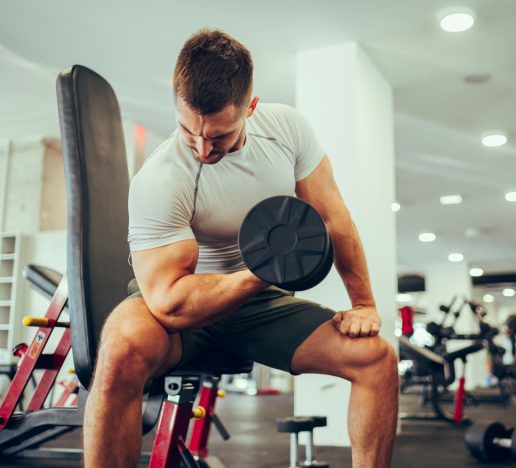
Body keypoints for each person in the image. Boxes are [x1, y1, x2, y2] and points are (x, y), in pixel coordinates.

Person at [83, 28, 399, 468]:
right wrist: (263, 269)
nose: (201, 148)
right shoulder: (161, 179)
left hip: (259, 306)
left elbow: (333, 217)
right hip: (186, 301)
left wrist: (364, 303)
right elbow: (170, 302)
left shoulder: (286, 129)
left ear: (250, 107)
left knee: (377, 359)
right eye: (188, 130)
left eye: (219, 136)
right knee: (120, 344)